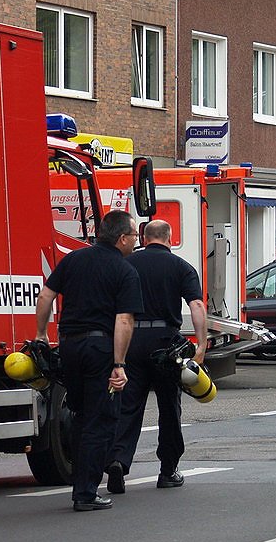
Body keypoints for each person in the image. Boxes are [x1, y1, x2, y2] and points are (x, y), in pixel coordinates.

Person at [34, 210, 142, 511]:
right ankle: (85, 492)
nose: (135, 241)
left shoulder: (72, 260)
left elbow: (46, 297)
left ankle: (81, 482)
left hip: (69, 347)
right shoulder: (125, 271)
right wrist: (118, 365)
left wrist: (41, 334)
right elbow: (124, 321)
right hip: (100, 350)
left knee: (80, 415)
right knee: (101, 419)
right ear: (121, 238)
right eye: (133, 235)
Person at [106, 219, 207, 492]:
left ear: (143, 237)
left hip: (132, 340)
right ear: (170, 238)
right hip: (166, 345)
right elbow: (196, 304)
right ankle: (168, 470)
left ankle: (118, 460)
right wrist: (201, 344)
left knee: (128, 405)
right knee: (169, 408)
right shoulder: (182, 267)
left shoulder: (127, 264)